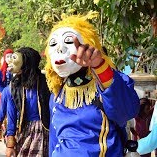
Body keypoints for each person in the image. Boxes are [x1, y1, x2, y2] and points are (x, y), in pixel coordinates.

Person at [45, 15, 140, 156]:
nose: (60, 49)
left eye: (68, 41)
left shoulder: (109, 81)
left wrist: (100, 66)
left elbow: (125, 112)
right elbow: (54, 139)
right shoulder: (57, 94)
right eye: (53, 44)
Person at [4, 47, 50, 157]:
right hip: (24, 130)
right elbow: (11, 113)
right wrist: (10, 141)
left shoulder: (46, 82)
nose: (10, 61)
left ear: (27, 63)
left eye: (15, 58)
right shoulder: (14, 86)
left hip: (45, 130)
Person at [0, 49, 13, 137]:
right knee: (1, 110)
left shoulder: (16, 70)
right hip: (4, 95)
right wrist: (6, 92)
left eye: (11, 56)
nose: (9, 58)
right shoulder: (0, 72)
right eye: (7, 56)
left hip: (15, 94)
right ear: (4, 58)